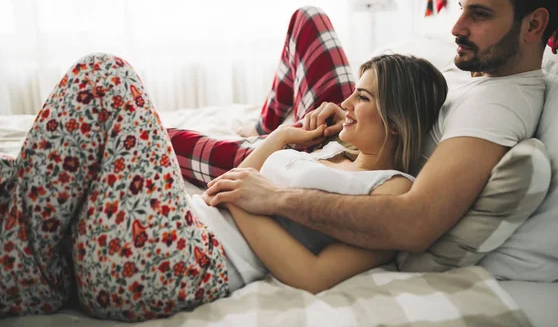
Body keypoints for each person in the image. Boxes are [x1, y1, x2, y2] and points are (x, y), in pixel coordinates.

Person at [0, 51, 447, 321]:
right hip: (174, 229)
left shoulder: (391, 191)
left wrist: (251, 201)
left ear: (397, 118)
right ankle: (35, 269)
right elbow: (234, 184)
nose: (345, 103)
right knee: (16, 173)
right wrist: (281, 139)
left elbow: (313, 276)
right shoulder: (335, 154)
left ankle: (28, 275)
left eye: (363, 97)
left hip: (181, 264)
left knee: (106, 77)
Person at [198, 0, 558, 254]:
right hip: (343, 139)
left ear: (534, 24)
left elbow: (414, 223)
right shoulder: (481, 64)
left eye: (479, 15)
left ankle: (266, 129)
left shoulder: (500, 106)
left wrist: (274, 198)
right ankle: (266, 123)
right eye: (462, 10)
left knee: (177, 141)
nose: (457, 28)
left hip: (337, 159)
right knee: (307, 18)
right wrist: (343, 117)